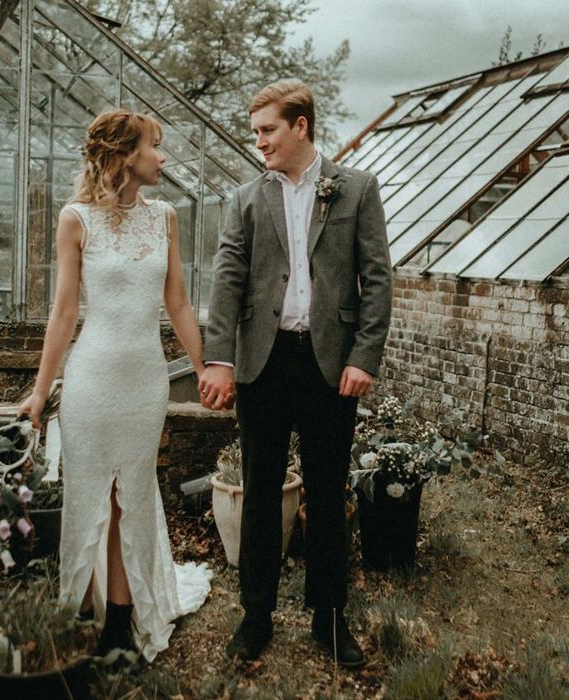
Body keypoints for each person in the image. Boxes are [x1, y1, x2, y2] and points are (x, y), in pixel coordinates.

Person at [199, 80, 392, 667]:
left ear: (300, 126)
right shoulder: (247, 199)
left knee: (328, 493)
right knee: (260, 494)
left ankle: (330, 620)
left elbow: (378, 278)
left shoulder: (355, 189)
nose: (258, 141)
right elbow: (227, 281)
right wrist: (219, 359)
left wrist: (364, 356)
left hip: (329, 364)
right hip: (264, 362)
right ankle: (255, 619)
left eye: (268, 130)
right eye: (256, 131)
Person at [18, 109, 212, 661]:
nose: (164, 157)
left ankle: (119, 626)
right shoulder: (75, 218)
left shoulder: (166, 218)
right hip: (92, 379)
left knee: (132, 496)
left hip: (144, 381)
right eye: (156, 146)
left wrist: (203, 370)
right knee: (91, 492)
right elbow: (63, 313)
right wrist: (39, 390)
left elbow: (177, 302)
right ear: (126, 154)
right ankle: (82, 610)